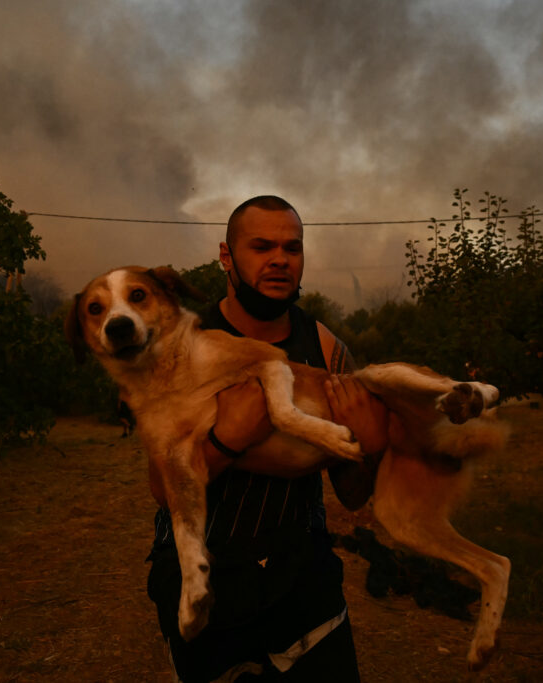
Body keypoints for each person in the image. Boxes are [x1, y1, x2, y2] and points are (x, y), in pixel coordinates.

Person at [147, 196, 390, 682]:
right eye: (261, 246)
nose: (280, 259)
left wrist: (372, 445)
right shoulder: (181, 349)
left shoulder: (326, 349)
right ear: (226, 255)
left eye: (292, 248)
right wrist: (227, 440)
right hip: (206, 578)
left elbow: (352, 494)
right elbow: (161, 485)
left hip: (303, 579)